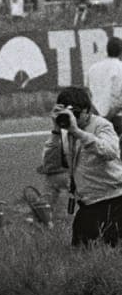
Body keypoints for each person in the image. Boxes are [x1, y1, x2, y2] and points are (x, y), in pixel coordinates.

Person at [40, 86, 122, 246]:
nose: (73, 119)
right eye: (69, 114)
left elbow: (110, 151)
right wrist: (56, 131)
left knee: (110, 247)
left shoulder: (102, 125)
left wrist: (77, 132)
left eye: (76, 114)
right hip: (88, 203)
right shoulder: (63, 131)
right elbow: (49, 165)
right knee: (81, 249)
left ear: (88, 111)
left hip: (114, 200)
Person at [88, 37, 122, 135]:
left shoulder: (93, 68)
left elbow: (89, 93)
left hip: (96, 116)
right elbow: (119, 100)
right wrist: (108, 117)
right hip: (117, 118)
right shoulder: (120, 67)